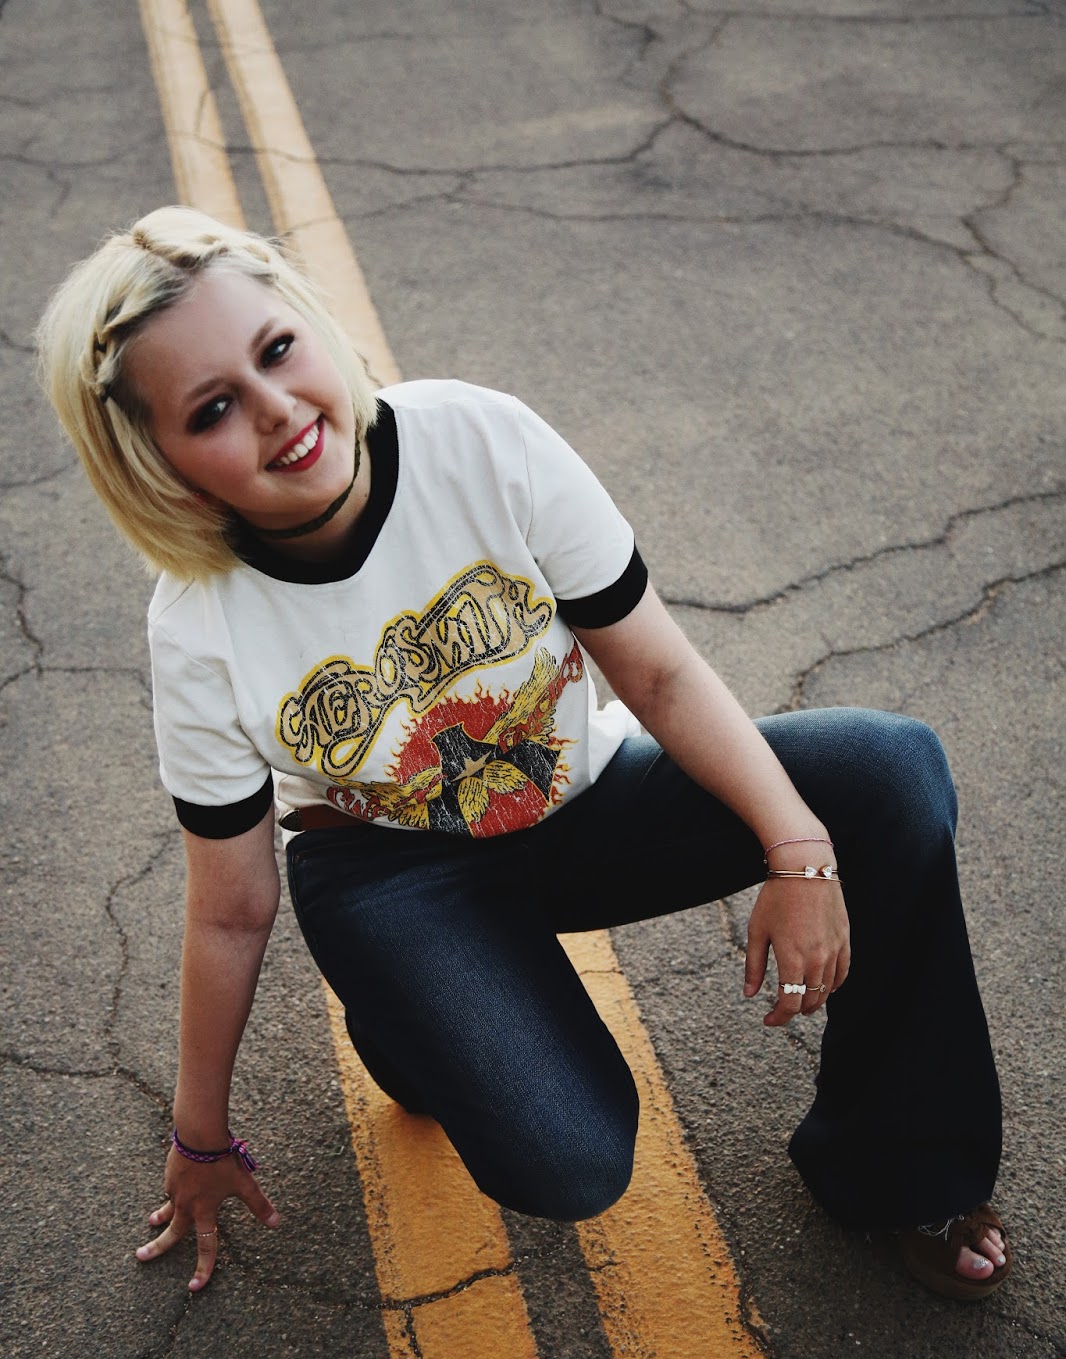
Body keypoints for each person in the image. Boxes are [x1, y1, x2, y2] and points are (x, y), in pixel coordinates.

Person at [36, 206, 1010, 1302]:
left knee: (888, 774)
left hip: (582, 795)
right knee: (572, 1158)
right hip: (392, 871)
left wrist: (799, 851)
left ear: (312, 325)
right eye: (212, 408)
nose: (274, 408)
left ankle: (902, 1172)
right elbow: (229, 907)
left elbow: (659, 675)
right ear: (161, 465)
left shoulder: (477, 439)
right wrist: (200, 1134)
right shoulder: (197, 625)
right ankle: (408, 1011)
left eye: (276, 350)